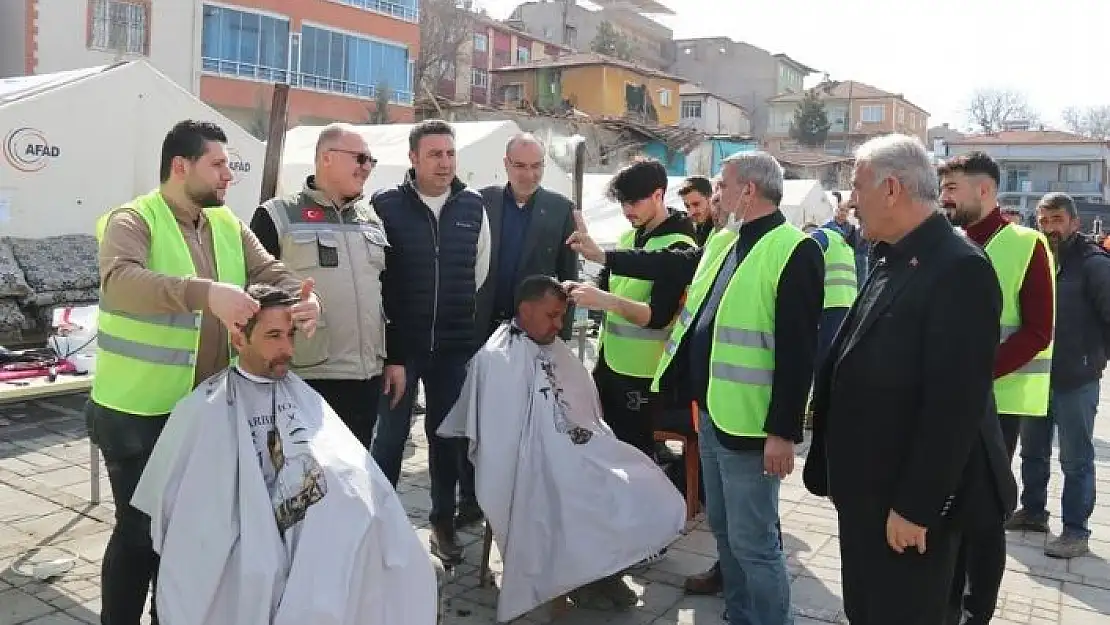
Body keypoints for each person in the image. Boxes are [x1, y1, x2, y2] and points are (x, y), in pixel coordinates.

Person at [569, 151, 824, 625]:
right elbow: (662, 268)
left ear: (748, 190)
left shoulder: (794, 248)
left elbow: (797, 352)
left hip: (752, 423)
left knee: (755, 542)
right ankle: (740, 614)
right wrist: (601, 255)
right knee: (725, 532)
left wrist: (784, 432)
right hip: (710, 410)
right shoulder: (726, 241)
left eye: (723, 186)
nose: (714, 195)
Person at [87, 120, 320, 625]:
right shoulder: (133, 219)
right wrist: (205, 293)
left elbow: (270, 272)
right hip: (138, 414)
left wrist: (307, 298)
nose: (227, 177)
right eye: (218, 165)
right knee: (139, 533)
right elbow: (120, 280)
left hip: (207, 411)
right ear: (180, 167)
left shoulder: (226, 224)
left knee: (189, 534)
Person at [803, 134, 1016, 625]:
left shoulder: (958, 268)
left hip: (906, 507)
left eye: (857, 187)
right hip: (867, 492)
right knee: (868, 609)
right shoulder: (891, 255)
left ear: (892, 188)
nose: (852, 201)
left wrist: (917, 506)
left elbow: (955, 406)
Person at [131, 285, 438, 625]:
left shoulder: (302, 396)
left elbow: (343, 468)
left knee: (369, 526)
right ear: (238, 340)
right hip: (239, 534)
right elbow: (186, 511)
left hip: (315, 527)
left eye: (290, 334)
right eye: (273, 336)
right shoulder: (205, 408)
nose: (287, 349)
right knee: (258, 566)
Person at [438, 275, 685, 622]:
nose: (559, 325)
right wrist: (557, 450)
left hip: (567, 446)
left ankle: (601, 574)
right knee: (580, 491)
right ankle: (588, 577)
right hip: (524, 464)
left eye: (561, 317)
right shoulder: (498, 357)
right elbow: (501, 440)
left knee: (633, 477)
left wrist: (580, 440)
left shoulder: (550, 346)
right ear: (525, 310)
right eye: (552, 316)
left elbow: (583, 410)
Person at [939, 152, 1055, 624]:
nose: (943, 198)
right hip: (948, 401)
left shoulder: (1027, 244)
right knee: (948, 512)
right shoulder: (947, 242)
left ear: (983, 190)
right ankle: (944, 605)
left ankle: (975, 612)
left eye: (952, 189)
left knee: (983, 519)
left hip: (999, 405)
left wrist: (976, 373)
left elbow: (1038, 330)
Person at [370, 119, 490, 563]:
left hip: (454, 350)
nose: (444, 162)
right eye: (435, 154)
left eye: (450, 154)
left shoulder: (473, 206)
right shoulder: (384, 205)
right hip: (401, 350)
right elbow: (376, 277)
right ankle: (377, 522)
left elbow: (479, 273)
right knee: (390, 438)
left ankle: (443, 521)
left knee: (447, 439)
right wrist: (392, 346)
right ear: (413, 158)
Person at [250, 123, 403, 451]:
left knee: (352, 478)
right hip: (307, 376)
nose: (366, 168)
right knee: (304, 479)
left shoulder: (372, 218)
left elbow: (389, 295)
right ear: (327, 158)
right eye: (360, 159)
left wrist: (395, 359)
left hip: (367, 376)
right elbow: (254, 291)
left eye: (370, 161)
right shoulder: (277, 216)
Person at [467, 132, 579, 528]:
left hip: (532, 335)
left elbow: (569, 279)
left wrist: (556, 339)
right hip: (482, 328)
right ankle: (472, 497)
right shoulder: (480, 201)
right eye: (521, 166)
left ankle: (523, 496)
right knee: (478, 416)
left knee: (525, 418)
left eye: (536, 167)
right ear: (506, 164)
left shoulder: (560, 208)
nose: (528, 174)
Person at [565, 159, 696, 458]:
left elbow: (659, 317)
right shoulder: (629, 236)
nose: (627, 210)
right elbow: (606, 287)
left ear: (659, 195)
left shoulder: (678, 245)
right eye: (623, 202)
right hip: (610, 364)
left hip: (645, 375)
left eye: (634, 201)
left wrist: (604, 300)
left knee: (636, 456)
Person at [1009, 192, 1110, 558]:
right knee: (1033, 450)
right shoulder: (1037, 258)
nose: (1050, 228)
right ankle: (1034, 512)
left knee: (1075, 458)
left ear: (1074, 223)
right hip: (1038, 377)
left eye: (1057, 221)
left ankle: (1076, 531)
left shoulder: (1094, 264)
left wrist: (1094, 358)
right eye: (1044, 221)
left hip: (1076, 379)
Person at [809, 215, 859, 366]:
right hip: (849, 304)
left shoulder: (821, 236)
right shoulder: (844, 243)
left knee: (824, 357)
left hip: (830, 304)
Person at [678, 175, 716, 245]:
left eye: (696, 204)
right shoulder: (691, 228)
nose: (691, 212)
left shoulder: (723, 227)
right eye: (687, 206)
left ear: (710, 198)